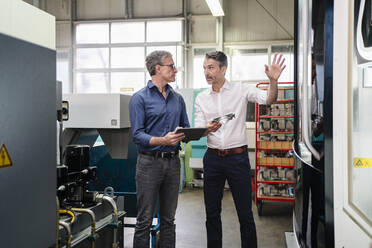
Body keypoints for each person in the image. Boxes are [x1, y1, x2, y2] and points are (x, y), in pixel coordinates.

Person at [194, 51, 285, 248]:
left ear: (223, 69)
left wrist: (273, 82)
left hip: (238, 159)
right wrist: (205, 129)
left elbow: (268, 100)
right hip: (212, 160)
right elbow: (199, 130)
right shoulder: (201, 98)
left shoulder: (241, 90)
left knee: (245, 213)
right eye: (204, 68)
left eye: (210, 67)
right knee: (211, 213)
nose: (206, 72)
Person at [129, 50, 190, 248]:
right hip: (149, 164)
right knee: (144, 220)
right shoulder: (139, 98)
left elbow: (186, 128)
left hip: (173, 163)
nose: (175, 70)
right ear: (157, 69)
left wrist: (202, 131)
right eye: (171, 66)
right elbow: (137, 135)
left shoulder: (177, 99)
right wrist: (162, 139)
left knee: (168, 220)